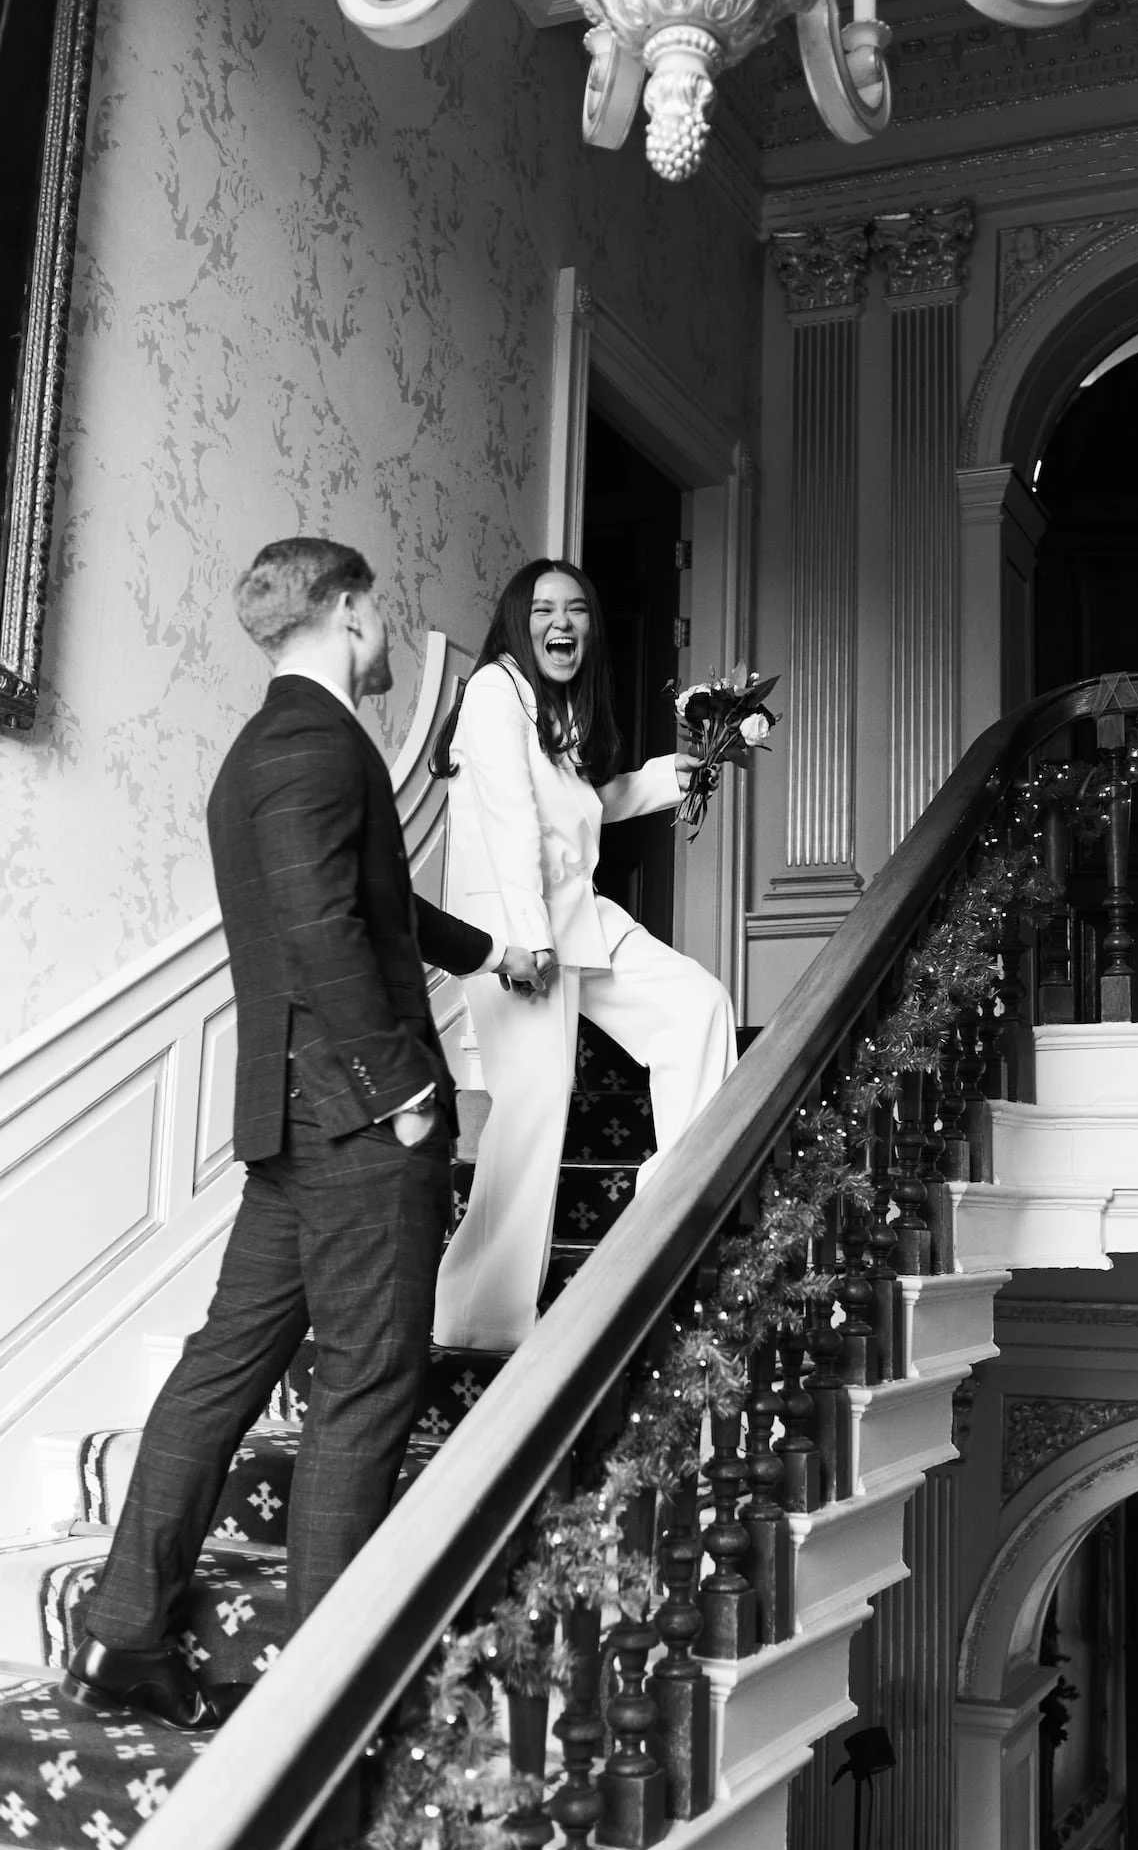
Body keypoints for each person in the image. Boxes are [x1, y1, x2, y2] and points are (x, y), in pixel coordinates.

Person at [63, 538, 543, 1730]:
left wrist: (488, 950)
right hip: (356, 1122)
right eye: (377, 608)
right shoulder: (317, 746)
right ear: (345, 609)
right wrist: (403, 1091)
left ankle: (124, 1637)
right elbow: (326, 931)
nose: (386, 630)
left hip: (293, 1121)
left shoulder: (262, 753)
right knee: (365, 1387)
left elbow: (367, 905)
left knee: (224, 1365)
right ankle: (320, 1719)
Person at [431, 557, 737, 1354]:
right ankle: (477, 1327)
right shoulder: (496, 692)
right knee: (532, 1112)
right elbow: (506, 822)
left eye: (576, 610)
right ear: (515, 620)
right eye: (542, 610)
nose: (561, 624)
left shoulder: (551, 713)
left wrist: (663, 779)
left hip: (576, 918)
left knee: (693, 1007)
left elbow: (576, 811)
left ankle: (670, 1213)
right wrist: (524, 944)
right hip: (515, 931)